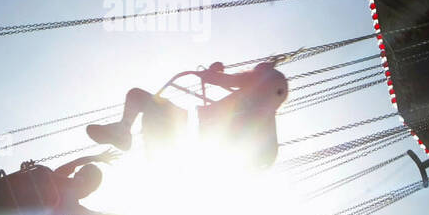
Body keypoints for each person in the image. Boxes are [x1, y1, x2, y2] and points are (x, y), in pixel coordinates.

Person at [87, 61, 289, 168]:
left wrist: (212, 73)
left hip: (196, 127)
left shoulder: (262, 84)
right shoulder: (259, 105)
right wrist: (214, 75)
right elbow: (225, 86)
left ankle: (124, 130)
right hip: (208, 135)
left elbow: (221, 81)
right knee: (144, 106)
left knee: (138, 97)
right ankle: (125, 131)